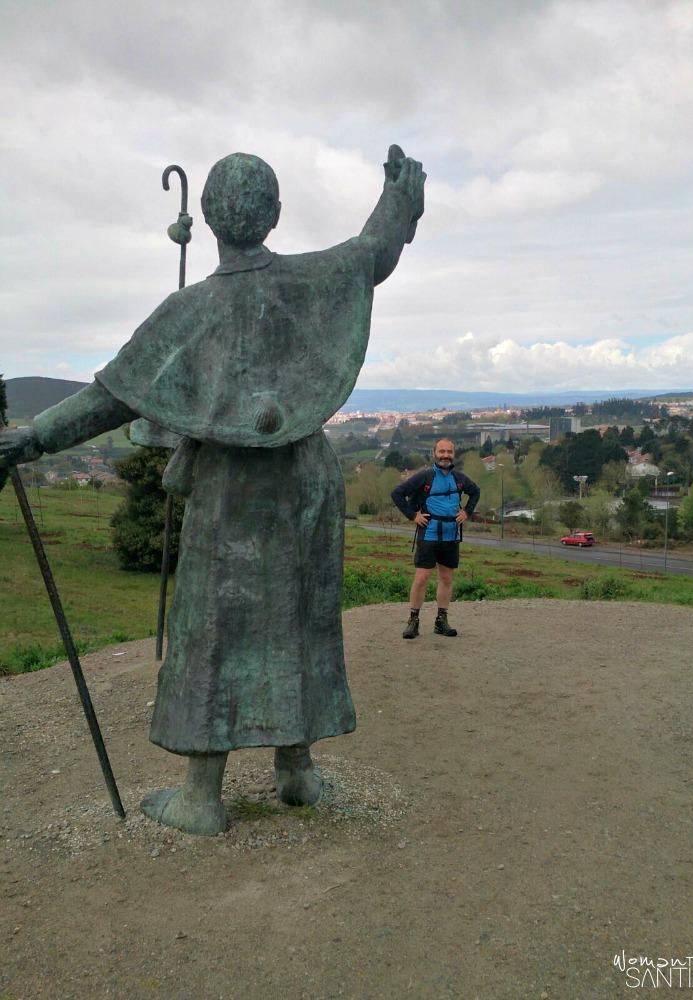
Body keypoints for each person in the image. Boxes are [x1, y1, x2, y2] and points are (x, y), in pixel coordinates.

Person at [0, 146, 426, 835]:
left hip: (232, 487)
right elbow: (373, 250)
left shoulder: (188, 310)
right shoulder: (317, 278)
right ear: (276, 214)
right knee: (299, 619)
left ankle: (203, 795)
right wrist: (402, 199)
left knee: (216, 627)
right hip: (305, 480)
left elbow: (109, 395)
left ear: (207, 218)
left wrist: (32, 437)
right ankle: (298, 771)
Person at [391, 439, 479, 639]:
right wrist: (413, 516)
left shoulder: (459, 478)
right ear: (434, 453)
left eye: (449, 452)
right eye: (442, 451)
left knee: (446, 578)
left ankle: (441, 621)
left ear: (454, 454)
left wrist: (467, 512)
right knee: (421, 579)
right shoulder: (425, 476)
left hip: (450, 535)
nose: (445, 455)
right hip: (429, 535)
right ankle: (413, 621)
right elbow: (397, 493)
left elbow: (475, 492)